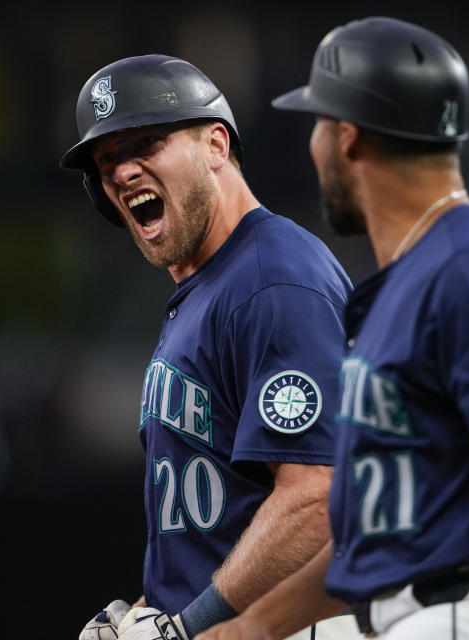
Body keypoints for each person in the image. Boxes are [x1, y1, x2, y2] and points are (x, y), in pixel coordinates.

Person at [196, 16, 469, 640]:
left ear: (347, 137)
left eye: (319, 123)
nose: (313, 143)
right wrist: (253, 627)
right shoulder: (408, 281)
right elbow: (367, 545)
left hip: (467, 613)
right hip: (405, 613)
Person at [59, 55, 360, 640]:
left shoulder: (273, 281)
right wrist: (151, 612)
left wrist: (187, 627)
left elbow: (318, 500)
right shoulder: (209, 288)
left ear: (216, 145)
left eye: (145, 143)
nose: (122, 172)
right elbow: (219, 522)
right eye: (107, 160)